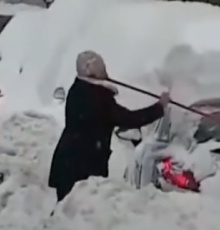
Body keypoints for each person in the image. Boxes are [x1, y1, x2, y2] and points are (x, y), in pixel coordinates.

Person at [48, 50, 169, 202]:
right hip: (83, 166)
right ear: (89, 70)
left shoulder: (79, 88)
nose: (103, 70)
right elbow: (128, 119)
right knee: (79, 211)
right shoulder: (96, 97)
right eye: (99, 67)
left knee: (69, 210)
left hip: (69, 161)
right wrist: (159, 108)